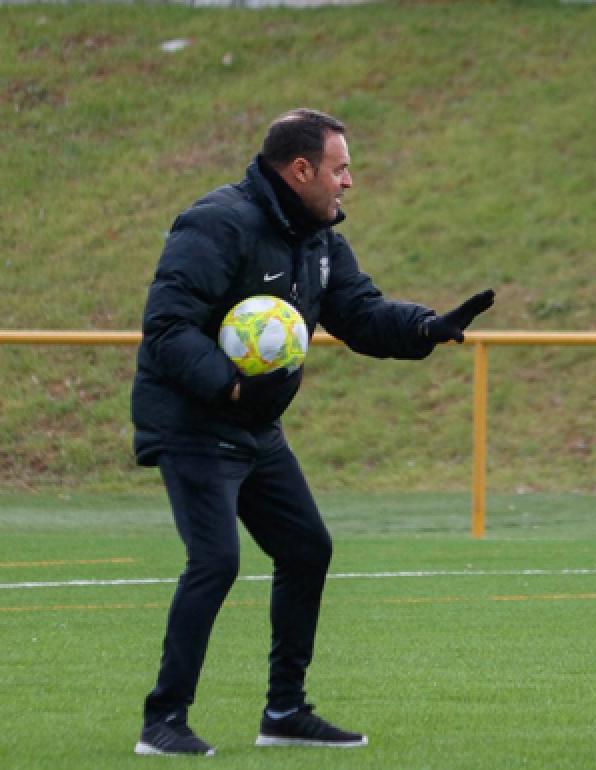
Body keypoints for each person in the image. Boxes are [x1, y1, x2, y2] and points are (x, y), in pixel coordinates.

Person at [130, 108, 495, 756]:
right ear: (301, 170)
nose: (348, 181)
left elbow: (360, 313)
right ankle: (164, 721)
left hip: (254, 424)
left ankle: (285, 712)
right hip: (192, 420)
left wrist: (424, 327)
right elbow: (166, 327)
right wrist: (230, 385)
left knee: (306, 549)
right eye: (340, 168)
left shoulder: (318, 239)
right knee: (215, 561)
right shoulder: (217, 223)